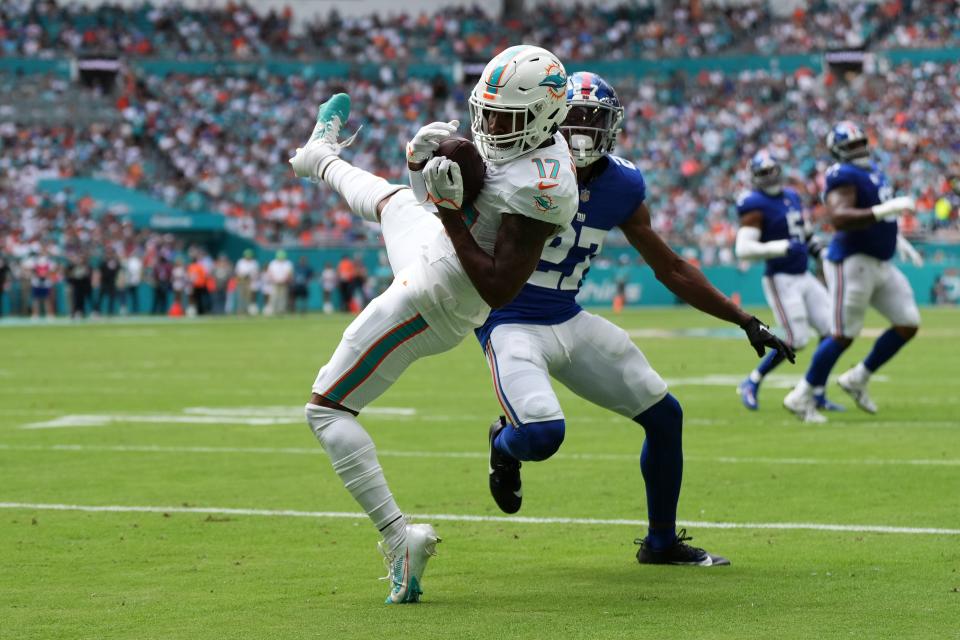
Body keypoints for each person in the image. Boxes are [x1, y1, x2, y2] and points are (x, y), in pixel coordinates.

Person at [288, 46, 580, 603]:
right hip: (437, 253)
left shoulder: (543, 185)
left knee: (325, 410)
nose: (491, 127)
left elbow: (499, 287)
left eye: (505, 118)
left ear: (544, 115)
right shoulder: (529, 139)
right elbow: (457, 197)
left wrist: (446, 208)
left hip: (438, 297)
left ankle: (399, 538)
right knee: (395, 199)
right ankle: (319, 156)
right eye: (485, 112)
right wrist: (425, 174)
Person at [475, 71, 793, 568]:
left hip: (568, 315)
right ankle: (504, 445)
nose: (582, 130)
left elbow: (669, 266)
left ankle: (661, 544)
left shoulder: (621, 184)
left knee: (665, 417)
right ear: (550, 119)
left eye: (593, 120)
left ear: (612, 127)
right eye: (573, 117)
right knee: (541, 435)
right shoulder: (514, 164)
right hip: (510, 321)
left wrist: (743, 319)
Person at [784, 122, 920, 423]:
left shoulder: (872, 171)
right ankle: (801, 395)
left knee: (908, 322)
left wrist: (895, 236)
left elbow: (874, 213)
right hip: (852, 262)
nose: (858, 149)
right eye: (851, 146)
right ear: (838, 152)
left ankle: (857, 378)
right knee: (843, 334)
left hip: (880, 261)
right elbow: (838, 217)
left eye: (860, 143)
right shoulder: (841, 175)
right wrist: (885, 212)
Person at [733, 150, 842, 412]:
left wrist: (821, 255)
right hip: (781, 278)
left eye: (772, 171)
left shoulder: (791, 196)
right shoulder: (754, 203)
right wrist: (779, 247)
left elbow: (804, 232)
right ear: (755, 178)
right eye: (763, 174)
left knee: (834, 332)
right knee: (798, 339)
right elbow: (744, 249)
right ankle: (752, 381)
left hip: (803, 274)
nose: (769, 177)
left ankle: (816, 392)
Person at [266, 250, 293, 316]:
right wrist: (274, 279)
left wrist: (285, 279)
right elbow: (270, 273)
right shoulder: (273, 263)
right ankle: (273, 310)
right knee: (274, 297)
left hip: (284, 283)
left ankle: (281, 311)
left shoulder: (288, 263)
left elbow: (289, 273)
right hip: (274, 283)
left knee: (283, 297)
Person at [234, 249, 259, 315]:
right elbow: (237, 272)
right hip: (241, 280)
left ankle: (247, 310)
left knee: (248, 297)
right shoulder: (240, 262)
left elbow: (255, 272)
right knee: (241, 296)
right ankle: (240, 310)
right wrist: (242, 276)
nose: (248, 257)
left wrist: (250, 276)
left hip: (249, 281)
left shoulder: (254, 262)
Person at [97, 250, 121, 316]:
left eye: (111, 254)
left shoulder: (115, 262)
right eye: (108, 254)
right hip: (104, 282)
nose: (109, 255)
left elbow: (119, 269)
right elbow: (100, 271)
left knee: (112, 298)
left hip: (112, 282)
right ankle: (97, 311)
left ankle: (110, 312)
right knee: (100, 298)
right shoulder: (103, 262)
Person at [124, 250, 143, 315]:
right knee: (133, 297)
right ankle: (133, 310)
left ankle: (132, 310)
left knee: (132, 297)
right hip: (133, 281)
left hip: (131, 281)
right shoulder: (135, 261)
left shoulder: (132, 261)